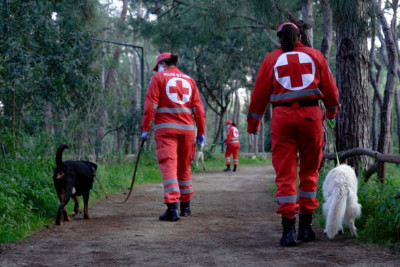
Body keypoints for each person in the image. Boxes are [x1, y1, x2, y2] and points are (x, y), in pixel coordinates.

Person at [247, 22, 340, 246]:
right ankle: (305, 228)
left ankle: (287, 231)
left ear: (279, 38)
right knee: (309, 171)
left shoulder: (271, 60)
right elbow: (330, 89)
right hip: (310, 117)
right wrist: (330, 112)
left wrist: (253, 124)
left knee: (285, 173)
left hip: (282, 118)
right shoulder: (315, 56)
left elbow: (259, 94)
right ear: (300, 35)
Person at [141, 52, 206, 221]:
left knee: (169, 166)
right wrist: (202, 133)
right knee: (184, 167)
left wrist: (145, 128)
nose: (158, 70)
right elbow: (199, 110)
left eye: (158, 67)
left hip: (166, 130)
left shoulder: (158, 78)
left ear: (162, 64)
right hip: (187, 130)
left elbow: (150, 105)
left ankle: (172, 209)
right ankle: (185, 207)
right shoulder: (190, 80)